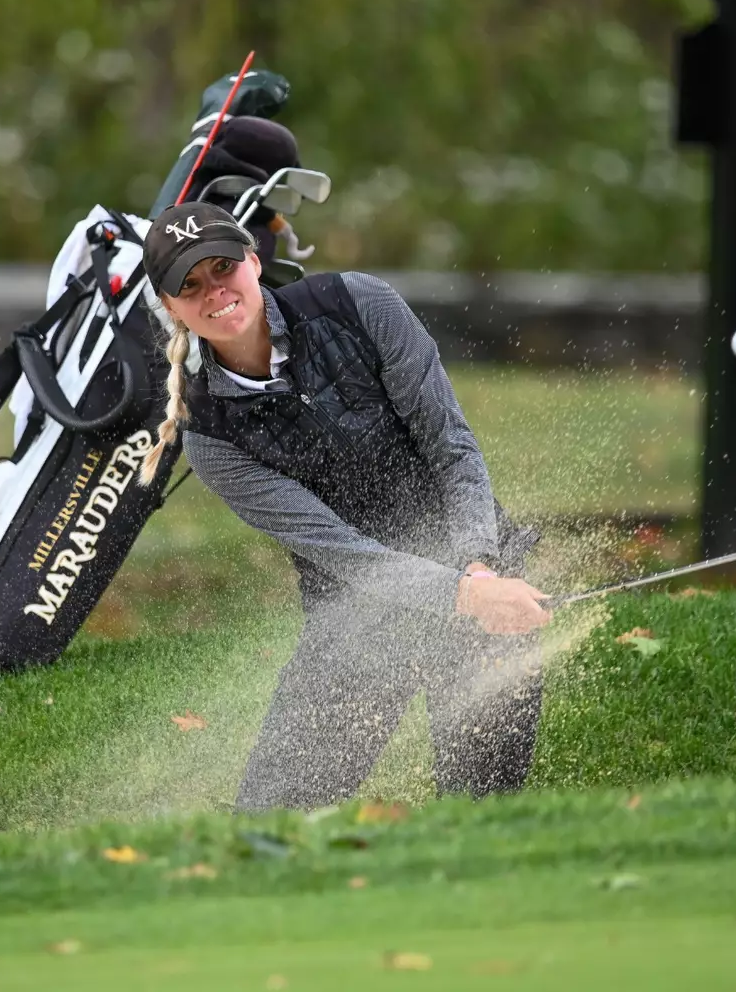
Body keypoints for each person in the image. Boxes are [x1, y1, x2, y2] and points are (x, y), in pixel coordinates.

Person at [137, 200, 552, 811]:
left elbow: (451, 445)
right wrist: (464, 592)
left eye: (223, 267)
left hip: (486, 572)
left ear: (253, 262)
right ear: (171, 308)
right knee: (271, 823)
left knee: (481, 814)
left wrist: (479, 568)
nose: (214, 291)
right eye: (189, 286)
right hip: (359, 619)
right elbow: (345, 553)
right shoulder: (211, 436)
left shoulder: (358, 305)